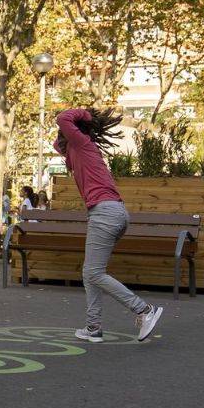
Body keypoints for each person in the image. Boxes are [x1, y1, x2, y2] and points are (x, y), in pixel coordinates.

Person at [54, 107, 163, 343]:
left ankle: (144, 310)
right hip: (111, 212)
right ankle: (93, 327)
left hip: (105, 212)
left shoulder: (83, 145)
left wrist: (87, 115)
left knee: (93, 272)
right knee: (90, 272)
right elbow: (58, 143)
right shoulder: (75, 151)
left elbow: (63, 118)